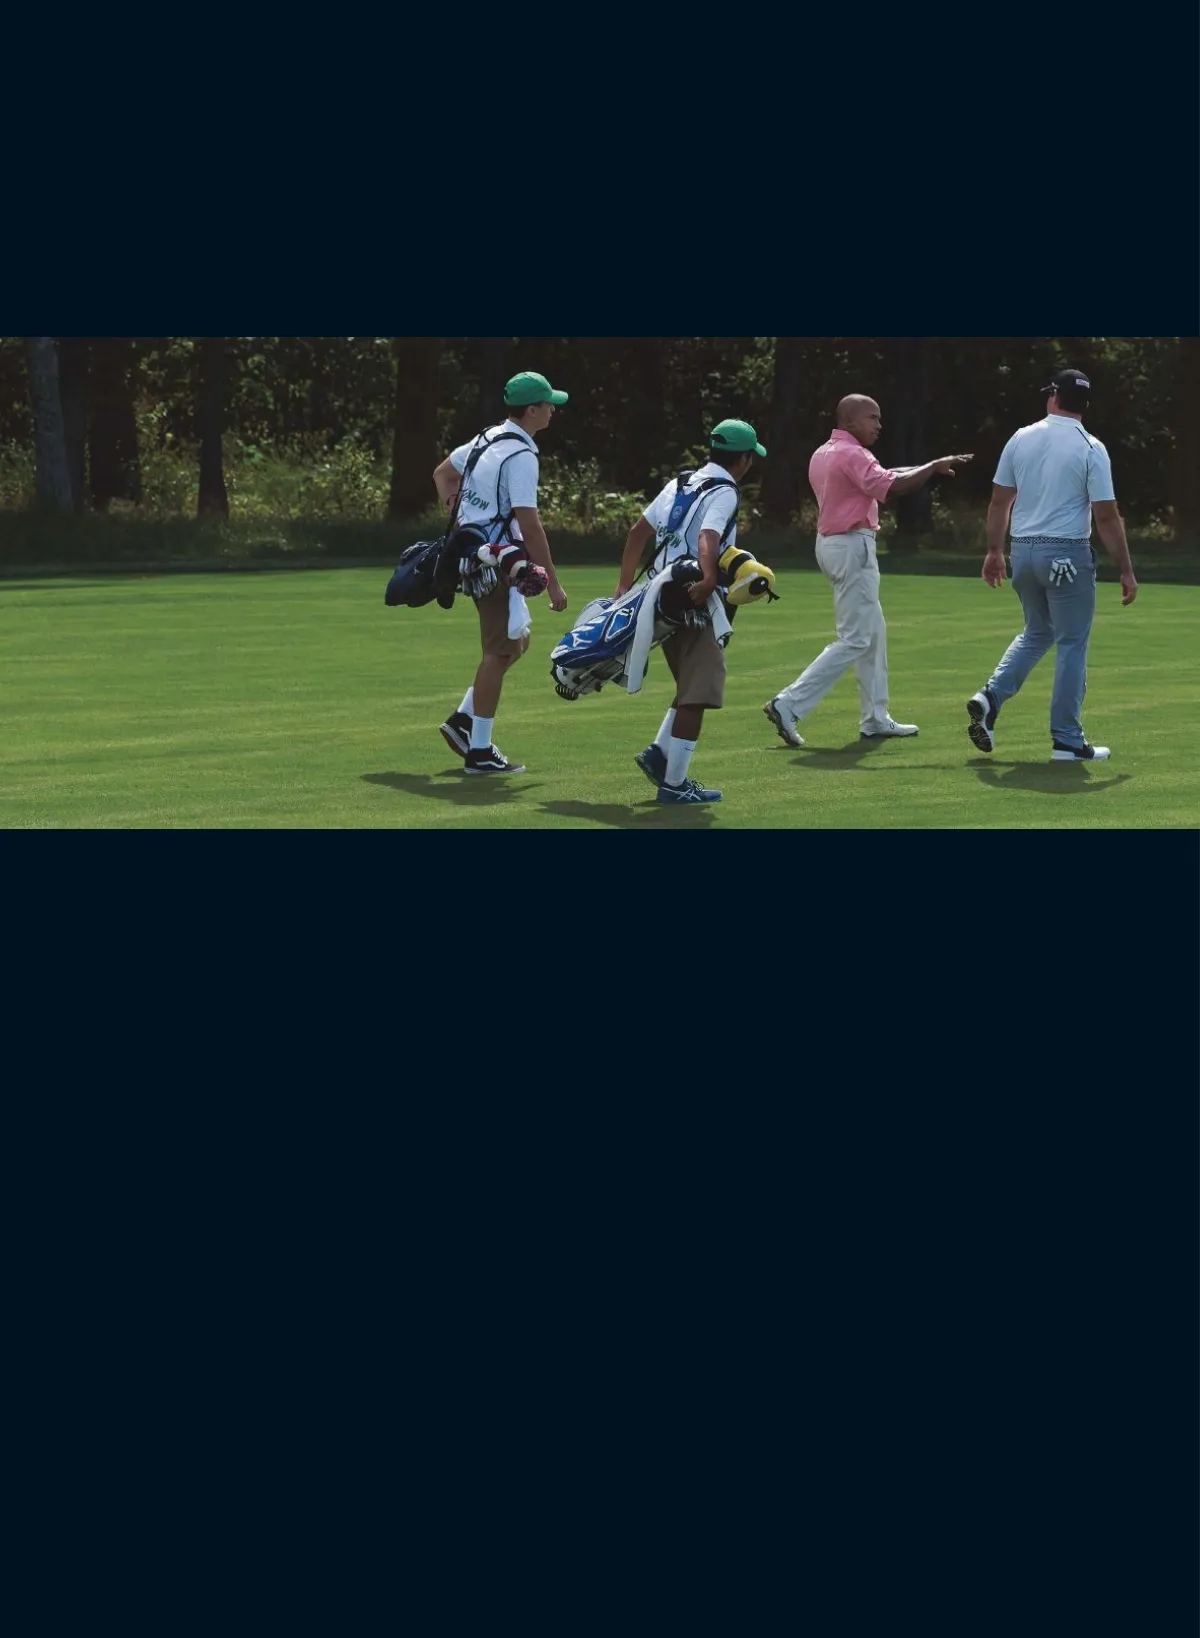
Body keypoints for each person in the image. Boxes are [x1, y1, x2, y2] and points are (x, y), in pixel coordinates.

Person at [763, 396, 973, 746]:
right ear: (850, 420)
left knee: (873, 633)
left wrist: (930, 467)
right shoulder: (854, 454)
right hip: (851, 546)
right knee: (856, 638)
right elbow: (891, 486)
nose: (879, 425)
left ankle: (875, 718)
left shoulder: (825, 452)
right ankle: (789, 703)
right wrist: (932, 467)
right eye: (872, 418)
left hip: (832, 545)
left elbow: (885, 476)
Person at [966, 367, 1138, 763]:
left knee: (1037, 631)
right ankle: (1067, 741)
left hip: (1023, 552)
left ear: (1054, 397)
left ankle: (990, 698)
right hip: (1066, 555)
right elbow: (1106, 516)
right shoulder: (1091, 447)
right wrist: (1126, 569)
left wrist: (994, 550)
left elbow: (999, 502)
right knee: (1072, 643)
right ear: (1084, 404)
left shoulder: (1020, 437)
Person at [614, 419, 767, 805]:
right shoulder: (725, 491)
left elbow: (637, 533)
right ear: (743, 460)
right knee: (701, 690)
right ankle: (675, 785)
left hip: (658, 595)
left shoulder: (681, 482)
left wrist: (624, 585)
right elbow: (708, 536)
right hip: (692, 601)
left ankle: (659, 754)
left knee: (690, 685)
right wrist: (709, 578)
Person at [432, 371, 570, 776]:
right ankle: (479, 749)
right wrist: (553, 583)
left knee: (517, 641)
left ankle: (464, 719)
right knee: (498, 652)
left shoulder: (487, 438)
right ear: (532, 411)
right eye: (548, 404)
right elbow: (530, 524)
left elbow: (443, 474)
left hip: (477, 554)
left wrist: (459, 515)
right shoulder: (521, 455)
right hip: (498, 563)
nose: (553, 410)